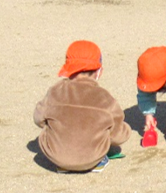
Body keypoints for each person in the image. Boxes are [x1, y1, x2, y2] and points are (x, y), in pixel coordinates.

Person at [33, 40, 131, 172]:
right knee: (108, 129)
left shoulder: (55, 91)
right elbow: (119, 135)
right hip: (92, 157)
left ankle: (64, 161)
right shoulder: (104, 97)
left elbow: (38, 118)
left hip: (56, 156)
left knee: (49, 125)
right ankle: (97, 162)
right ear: (99, 72)